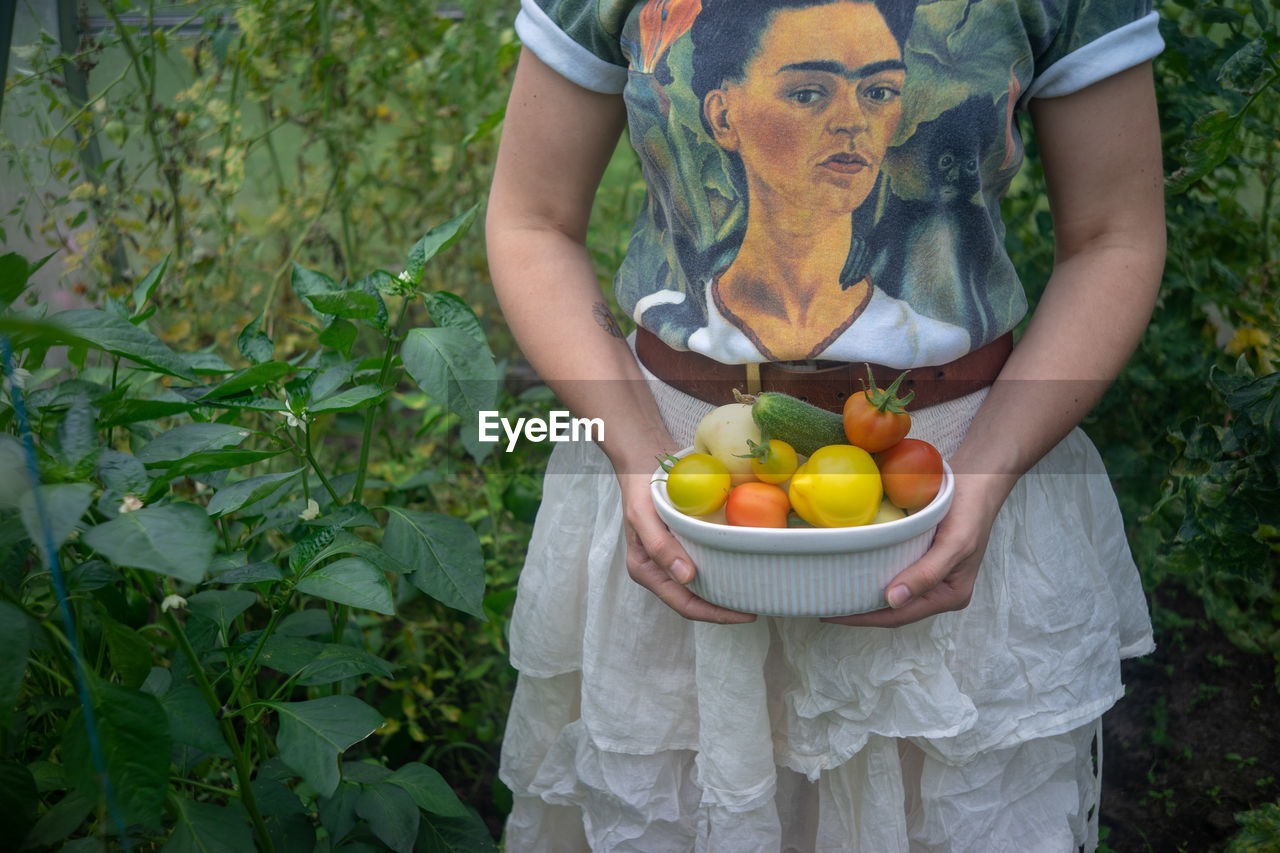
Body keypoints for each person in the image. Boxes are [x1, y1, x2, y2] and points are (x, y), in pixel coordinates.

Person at [486, 0, 1166, 849]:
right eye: (808, 93)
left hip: (959, 481)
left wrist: (988, 473)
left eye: (881, 92)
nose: (852, 122)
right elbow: (532, 220)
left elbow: (1115, 235)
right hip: (673, 474)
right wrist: (635, 452)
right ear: (722, 110)